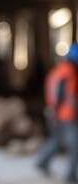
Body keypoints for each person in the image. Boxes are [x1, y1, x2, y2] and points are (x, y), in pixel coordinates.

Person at [36, 42, 78, 183]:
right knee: (75, 145)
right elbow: (65, 93)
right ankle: (71, 175)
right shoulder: (70, 71)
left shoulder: (58, 69)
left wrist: (52, 110)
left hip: (55, 111)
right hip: (66, 114)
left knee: (57, 139)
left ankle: (42, 162)